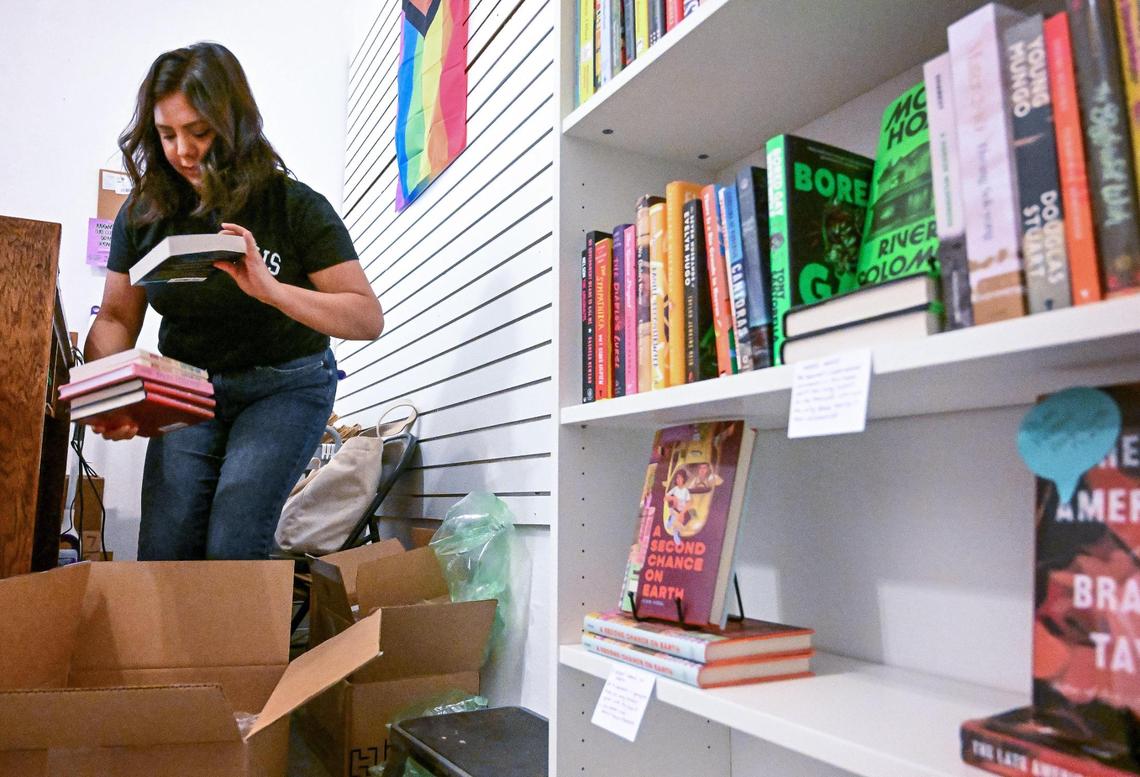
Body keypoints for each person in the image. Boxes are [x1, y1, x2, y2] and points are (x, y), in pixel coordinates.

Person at [84, 42, 383, 561]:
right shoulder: (144, 213)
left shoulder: (294, 205)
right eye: (167, 133)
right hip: (189, 384)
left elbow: (365, 316)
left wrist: (271, 290)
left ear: (235, 123)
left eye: (199, 132)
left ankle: (237, 645)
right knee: (166, 543)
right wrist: (113, 392)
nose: (182, 150)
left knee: (233, 538)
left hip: (284, 386)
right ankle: (173, 647)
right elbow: (114, 318)